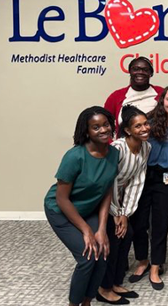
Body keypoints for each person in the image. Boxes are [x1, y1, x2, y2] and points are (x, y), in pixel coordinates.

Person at [44, 107, 119, 306]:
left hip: (88, 209)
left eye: (105, 125)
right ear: (87, 132)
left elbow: (106, 191)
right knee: (87, 258)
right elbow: (62, 199)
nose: (103, 130)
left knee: (102, 252)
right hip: (61, 210)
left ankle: (86, 301)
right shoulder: (75, 156)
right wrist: (86, 230)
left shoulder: (114, 153)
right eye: (96, 127)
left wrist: (101, 229)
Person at [128, 85, 168, 290]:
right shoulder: (149, 123)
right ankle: (142, 261)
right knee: (139, 222)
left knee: (160, 223)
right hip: (143, 176)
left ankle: (155, 266)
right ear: (162, 100)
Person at [96, 106, 151, 305]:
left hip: (121, 200)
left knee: (126, 235)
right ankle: (104, 288)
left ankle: (116, 282)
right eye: (138, 126)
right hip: (103, 199)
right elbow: (108, 182)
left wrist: (125, 214)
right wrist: (116, 213)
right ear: (127, 130)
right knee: (113, 238)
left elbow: (137, 181)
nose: (145, 128)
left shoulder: (147, 147)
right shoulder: (117, 149)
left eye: (146, 123)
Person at [104, 56, 163, 133]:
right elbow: (104, 123)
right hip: (125, 143)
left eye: (145, 70)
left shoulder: (162, 93)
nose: (140, 72)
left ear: (151, 73)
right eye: (136, 69)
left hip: (156, 143)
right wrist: (110, 143)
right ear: (130, 72)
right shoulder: (116, 96)